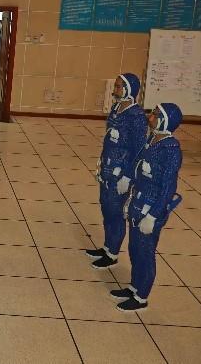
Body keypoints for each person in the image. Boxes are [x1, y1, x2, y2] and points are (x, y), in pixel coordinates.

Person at [112, 103, 183, 313]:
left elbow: (168, 187)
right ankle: (134, 287)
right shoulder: (152, 141)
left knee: (145, 252)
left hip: (151, 208)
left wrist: (153, 215)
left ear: (165, 121)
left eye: (155, 114)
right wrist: (128, 178)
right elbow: (137, 163)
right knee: (134, 249)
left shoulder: (170, 149)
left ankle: (141, 296)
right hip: (138, 201)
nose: (150, 117)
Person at [87, 74, 148, 269]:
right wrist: (102, 160)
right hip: (108, 168)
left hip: (121, 173)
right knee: (106, 208)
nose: (115, 89)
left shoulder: (136, 116)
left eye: (119, 86)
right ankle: (107, 247)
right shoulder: (116, 108)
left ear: (129, 89)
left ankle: (112, 254)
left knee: (115, 212)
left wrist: (128, 176)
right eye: (115, 86)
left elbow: (139, 149)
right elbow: (108, 139)